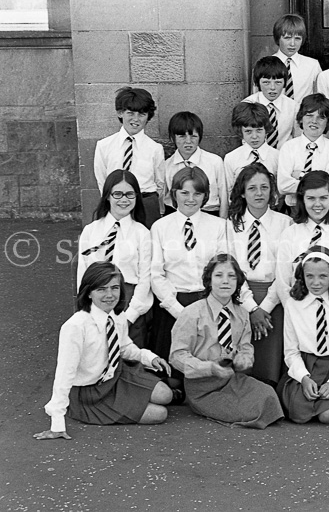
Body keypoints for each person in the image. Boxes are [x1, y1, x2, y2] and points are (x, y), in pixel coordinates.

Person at [37, 262, 174, 440]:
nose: (109, 295)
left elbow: (124, 347)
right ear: (88, 292)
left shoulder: (117, 316)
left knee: (166, 394)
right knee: (159, 414)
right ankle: (119, 405)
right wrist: (57, 421)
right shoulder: (75, 326)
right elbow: (65, 373)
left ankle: (136, 400)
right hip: (89, 392)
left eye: (115, 288)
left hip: (115, 376)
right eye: (101, 289)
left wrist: (148, 357)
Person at [170, 254, 284, 428]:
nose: (226, 281)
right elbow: (177, 356)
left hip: (231, 379)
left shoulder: (242, 314)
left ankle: (244, 408)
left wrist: (244, 359)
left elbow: (246, 348)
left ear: (238, 282)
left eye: (231, 276)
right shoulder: (192, 313)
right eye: (218, 276)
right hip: (202, 386)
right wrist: (208, 367)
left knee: (268, 396)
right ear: (208, 281)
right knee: (250, 411)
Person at [150, 167, 227, 367]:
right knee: (173, 376)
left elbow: (223, 270)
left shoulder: (219, 226)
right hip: (173, 303)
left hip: (208, 302)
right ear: (174, 193)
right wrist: (177, 309)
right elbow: (156, 273)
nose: (190, 199)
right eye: (184, 192)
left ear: (205, 196)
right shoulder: (160, 227)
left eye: (197, 193)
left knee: (207, 366)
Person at [279, 247, 329, 424]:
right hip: (307, 364)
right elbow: (291, 351)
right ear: (302, 276)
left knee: (328, 415)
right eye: (310, 276)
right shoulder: (293, 304)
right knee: (299, 415)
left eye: (323, 276)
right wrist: (303, 377)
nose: (316, 282)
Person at [226, 163, 292, 386]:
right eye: (252, 188)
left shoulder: (285, 224)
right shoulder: (231, 226)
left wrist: (265, 307)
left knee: (271, 359)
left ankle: (271, 391)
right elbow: (232, 270)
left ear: (272, 191)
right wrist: (251, 308)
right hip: (241, 297)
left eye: (264, 187)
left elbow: (285, 270)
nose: (259, 193)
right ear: (242, 193)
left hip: (275, 297)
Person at [78, 170, 152, 347]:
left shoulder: (142, 232)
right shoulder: (91, 230)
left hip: (128, 301)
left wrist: (130, 315)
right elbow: (83, 271)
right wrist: (87, 308)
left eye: (130, 194)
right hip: (97, 299)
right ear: (107, 196)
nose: (124, 199)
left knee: (131, 358)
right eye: (117, 194)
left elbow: (145, 277)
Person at [275, 171, 329, 305]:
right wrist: (295, 312)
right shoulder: (290, 234)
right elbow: (283, 282)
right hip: (298, 311)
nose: (317, 204)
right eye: (311, 198)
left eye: (323, 198)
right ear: (302, 199)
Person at [93, 87, 165, 228]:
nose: (135, 119)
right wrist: (114, 201)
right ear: (120, 113)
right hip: (116, 202)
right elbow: (102, 179)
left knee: (147, 246)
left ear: (148, 116)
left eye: (142, 114)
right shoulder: (104, 145)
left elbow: (160, 183)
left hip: (146, 204)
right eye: (130, 113)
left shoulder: (155, 148)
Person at [276, 93, 329, 212]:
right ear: (301, 118)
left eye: (321, 117)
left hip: (324, 209)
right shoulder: (288, 147)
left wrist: (301, 176)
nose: (314, 121)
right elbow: (283, 185)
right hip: (295, 209)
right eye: (309, 115)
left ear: (328, 121)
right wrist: (321, 185)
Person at [162, 111, 228, 218]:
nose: (188, 141)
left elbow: (224, 195)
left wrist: (223, 221)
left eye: (193, 136)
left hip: (209, 213)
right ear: (172, 138)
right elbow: (162, 197)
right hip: (176, 215)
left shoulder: (214, 162)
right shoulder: (166, 165)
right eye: (182, 136)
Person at [223, 102, 280, 196]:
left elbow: (280, 191)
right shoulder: (231, 158)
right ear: (240, 131)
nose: (254, 136)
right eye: (248, 131)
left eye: (259, 130)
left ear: (266, 129)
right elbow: (229, 190)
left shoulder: (277, 156)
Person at [242, 56, 298, 149]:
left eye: (278, 82)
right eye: (266, 82)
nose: (272, 87)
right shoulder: (247, 104)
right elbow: (244, 140)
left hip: (283, 157)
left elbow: (297, 138)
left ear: (285, 83)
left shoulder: (293, 106)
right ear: (257, 83)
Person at [272, 13, 321, 103]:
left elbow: (318, 96)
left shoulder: (312, 65)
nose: (292, 44)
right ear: (277, 38)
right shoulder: (267, 64)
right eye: (287, 38)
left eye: (297, 39)